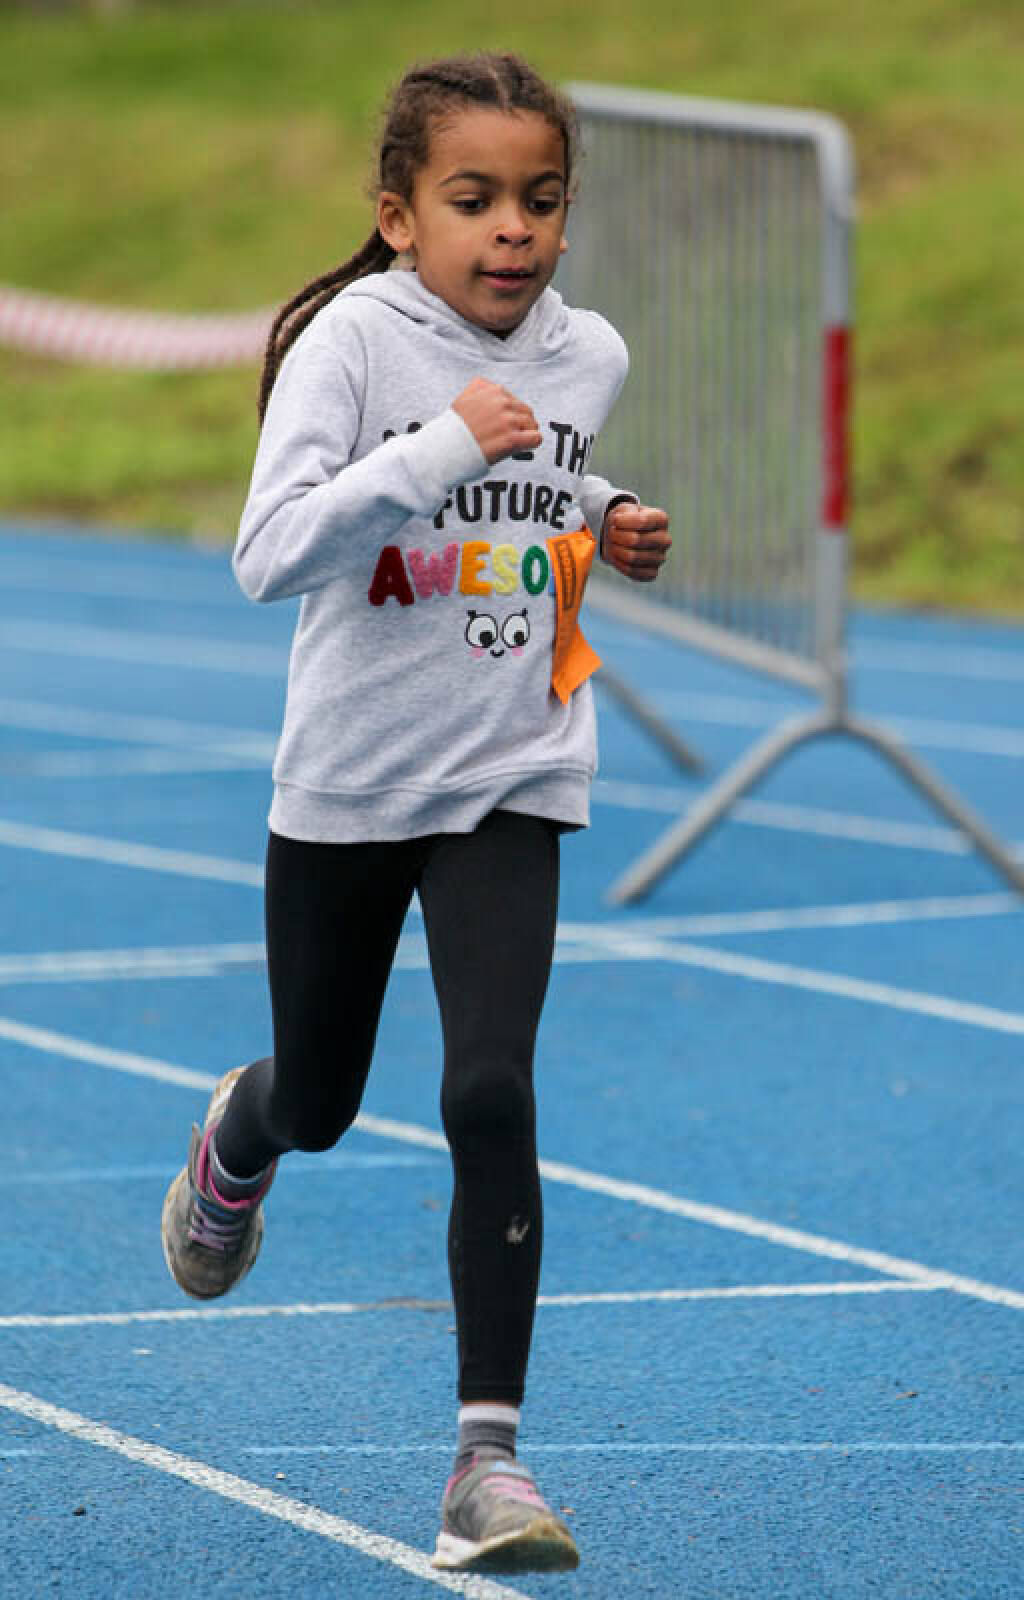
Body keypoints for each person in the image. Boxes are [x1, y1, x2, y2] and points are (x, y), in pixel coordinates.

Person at [161, 51, 670, 1575]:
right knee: (321, 1098)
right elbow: (269, 552)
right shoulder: (352, 343)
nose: (514, 229)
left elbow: (545, 482)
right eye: (475, 200)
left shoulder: (590, 353)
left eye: (542, 200)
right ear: (398, 215)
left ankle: (485, 1465)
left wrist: (606, 516)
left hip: (514, 769)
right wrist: (446, 441)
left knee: (490, 1091)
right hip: (353, 780)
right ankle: (242, 1133)